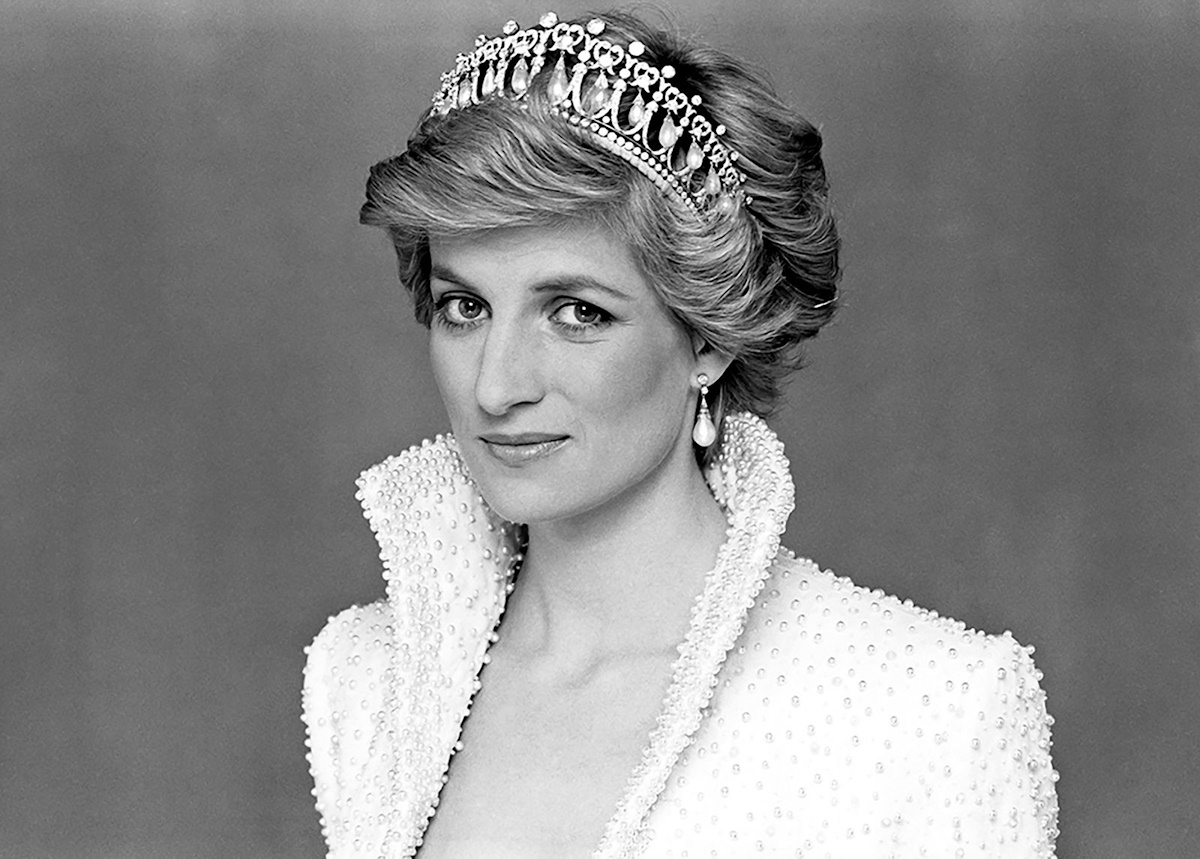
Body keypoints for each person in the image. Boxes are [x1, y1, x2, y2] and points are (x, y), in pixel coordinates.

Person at [302, 10, 1059, 858]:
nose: (496, 384)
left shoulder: (934, 713)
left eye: (577, 313)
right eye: (464, 307)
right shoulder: (366, 677)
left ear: (708, 336)